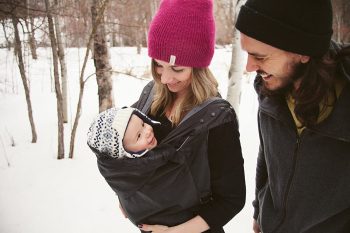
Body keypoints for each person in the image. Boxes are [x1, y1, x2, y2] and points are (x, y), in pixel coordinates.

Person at [91, 0, 246, 232]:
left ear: (199, 66)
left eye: (177, 69)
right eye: (158, 65)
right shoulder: (150, 97)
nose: (164, 78)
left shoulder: (216, 120)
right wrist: (127, 196)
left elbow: (231, 199)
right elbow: (123, 154)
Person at [235, 0, 350, 232]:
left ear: (302, 52)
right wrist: (259, 211)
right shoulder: (270, 88)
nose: (249, 66)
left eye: (261, 56)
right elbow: (268, 154)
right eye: (247, 53)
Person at [87, 107, 160, 159]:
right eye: (139, 136)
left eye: (143, 124)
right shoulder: (140, 174)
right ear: (126, 153)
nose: (148, 132)